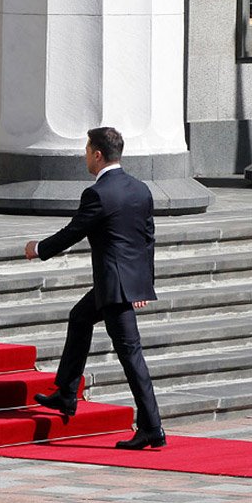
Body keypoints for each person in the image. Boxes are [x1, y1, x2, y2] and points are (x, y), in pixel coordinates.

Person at [24, 127, 166, 450]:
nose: (84, 155)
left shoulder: (98, 194)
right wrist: (143, 285)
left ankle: (152, 427)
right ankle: (66, 394)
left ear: (98, 155)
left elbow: (73, 232)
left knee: (131, 356)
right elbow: (148, 239)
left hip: (114, 289)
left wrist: (38, 249)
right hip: (121, 285)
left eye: (87, 150)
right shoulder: (140, 189)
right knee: (79, 317)